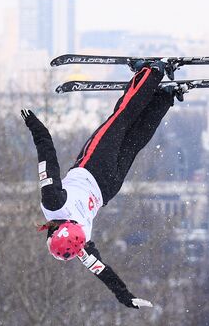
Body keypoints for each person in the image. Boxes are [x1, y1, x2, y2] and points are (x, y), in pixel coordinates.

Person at [21, 60, 185, 309]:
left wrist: (125, 296)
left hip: (109, 187)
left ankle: (164, 98)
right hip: (94, 165)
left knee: (135, 139)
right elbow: (47, 155)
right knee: (120, 119)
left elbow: (103, 272)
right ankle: (152, 72)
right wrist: (35, 126)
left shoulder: (81, 244)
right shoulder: (53, 203)